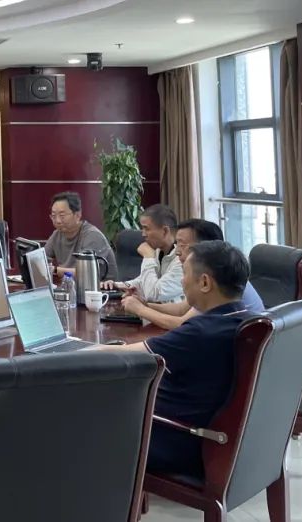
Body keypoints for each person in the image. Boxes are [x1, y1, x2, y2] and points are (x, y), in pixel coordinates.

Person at [97, 240, 254, 477]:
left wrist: (70, 350)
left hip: (176, 439)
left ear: (204, 282)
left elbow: (125, 355)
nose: (182, 281)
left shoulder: (201, 332)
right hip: (220, 440)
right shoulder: (247, 319)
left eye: (185, 274)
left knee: (84, 416)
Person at [120, 219, 265, 328]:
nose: (177, 251)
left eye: (183, 245)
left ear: (207, 247)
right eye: (177, 244)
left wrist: (141, 310)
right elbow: (181, 309)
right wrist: (145, 305)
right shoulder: (215, 271)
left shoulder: (219, 280)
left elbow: (181, 323)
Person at [103, 204, 183, 302]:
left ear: (165, 231)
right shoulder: (158, 252)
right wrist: (119, 285)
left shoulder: (182, 261)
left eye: (147, 229)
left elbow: (154, 294)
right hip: (152, 310)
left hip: (168, 311)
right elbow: (143, 281)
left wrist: (148, 257)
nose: (143, 234)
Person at [43, 191, 116, 276]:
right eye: (53, 216)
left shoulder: (92, 235)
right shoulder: (57, 234)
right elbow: (42, 260)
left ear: (77, 215)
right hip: (71, 283)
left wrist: (55, 270)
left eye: (62, 216)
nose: (57, 221)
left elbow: (86, 273)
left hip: (101, 283)